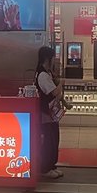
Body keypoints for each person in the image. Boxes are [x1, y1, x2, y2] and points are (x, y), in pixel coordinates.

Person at [34, 46, 64, 179]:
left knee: (53, 138)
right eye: (53, 58)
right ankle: (45, 168)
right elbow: (55, 92)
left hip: (50, 113)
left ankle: (51, 165)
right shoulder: (42, 75)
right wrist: (61, 83)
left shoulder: (47, 73)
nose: (54, 60)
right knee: (48, 140)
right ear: (48, 59)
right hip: (46, 114)